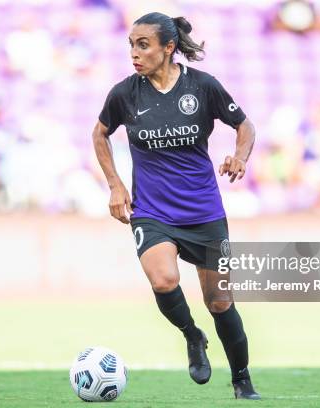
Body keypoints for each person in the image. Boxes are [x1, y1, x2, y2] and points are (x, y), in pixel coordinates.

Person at [92, 12, 259, 400]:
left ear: (169, 47)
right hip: (153, 212)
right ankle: (192, 335)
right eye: (131, 44)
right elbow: (100, 133)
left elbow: (245, 126)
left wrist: (240, 156)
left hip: (204, 212)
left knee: (219, 301)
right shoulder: (124, 94)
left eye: (143, 44)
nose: (134, 53)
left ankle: (242, 380)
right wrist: (116, 185)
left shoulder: (202, 87)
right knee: (164, 280)